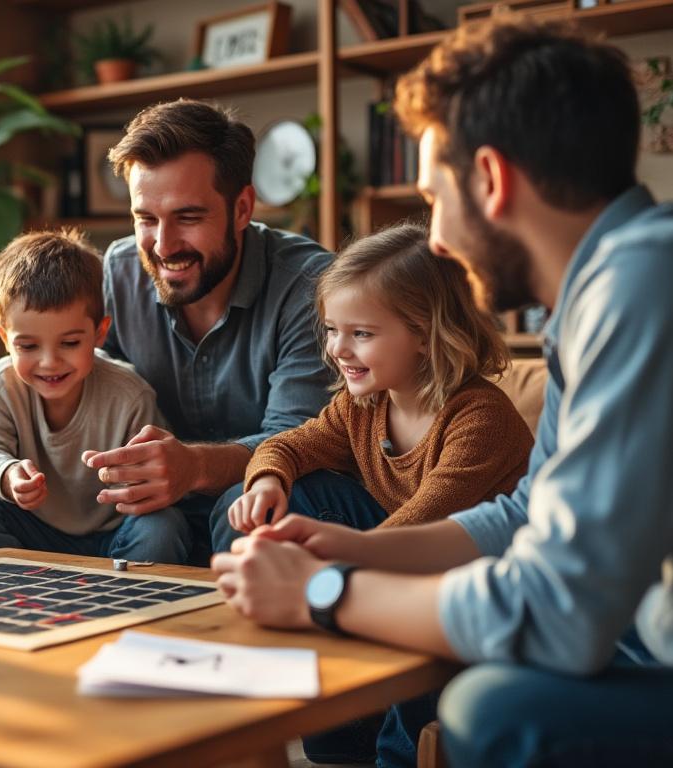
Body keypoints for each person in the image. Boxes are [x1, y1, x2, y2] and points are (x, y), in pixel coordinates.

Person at [212, 16, 673, 768]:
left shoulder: (648, 288)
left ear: (491, 180)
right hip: (656, 639)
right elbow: (528, 512)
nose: (433, 238)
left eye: (435, 197)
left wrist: (326, 591)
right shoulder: (615, 287)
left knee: (493, 708)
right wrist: (361, 550)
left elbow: (557, 614)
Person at [226, 223, 533, 766]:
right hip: (391, 564)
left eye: (361, 334)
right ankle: (336, 724)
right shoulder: (363, 403)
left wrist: (326, 577)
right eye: (330, 330)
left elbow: (423, 525)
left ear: (425, 332)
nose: (338, 349)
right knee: (305, 488)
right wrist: (268, 479)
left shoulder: (479, 418)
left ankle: (395, 746)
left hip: (471, 590)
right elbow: (291, 444)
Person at [73, 98, 334, 563]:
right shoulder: (116, 273)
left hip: (262, 504)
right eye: (145, 219)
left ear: (242, 209)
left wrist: (192, 467)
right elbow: (82, 398)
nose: (164, 245)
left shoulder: (310, 286)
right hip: (147, 514)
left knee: (242, 507)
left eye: (188, 218)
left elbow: (297, 439)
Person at [0, 229, 189, 562]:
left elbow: (157, 478)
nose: (49, 362)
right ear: (4, 337)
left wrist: (133, 482)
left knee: (163, 527)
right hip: (32, 533)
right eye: (28, 346)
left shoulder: (130, 395)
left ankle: (119, 599)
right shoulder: (3, 384)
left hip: (114, 537)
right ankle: (18, 585)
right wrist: (7, 474)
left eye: (69, 343)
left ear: (99, 333)